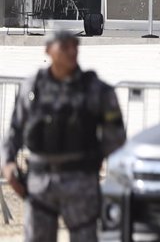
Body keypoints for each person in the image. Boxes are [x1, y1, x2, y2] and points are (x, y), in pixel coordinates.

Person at [1, 30, 126, 242]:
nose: (72, 51)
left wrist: (95, 161)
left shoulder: (95, 90)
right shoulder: (33, 88)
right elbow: (14, 131)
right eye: (65, 46)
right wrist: (8, 164)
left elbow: (116, 137)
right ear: (48, 50)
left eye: (75, 46)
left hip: (81, 183)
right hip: (40, 185)